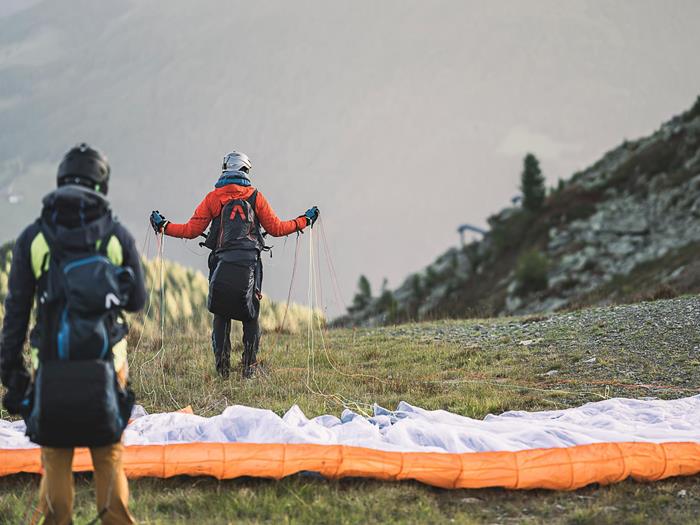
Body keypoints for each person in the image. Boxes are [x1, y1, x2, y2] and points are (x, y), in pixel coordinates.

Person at [0, 143, 146, 525]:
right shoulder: (115, 236)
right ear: (102, 185)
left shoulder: (35, 238)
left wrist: (11, 374)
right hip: (107, 363)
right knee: (108, 451)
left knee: (56, 452)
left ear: (61, 181)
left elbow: (16, 312)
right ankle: (115, 518)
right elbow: (137, 300)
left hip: (51, 363)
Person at [149, 150, 318, 378]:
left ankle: (223, 371)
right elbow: (277, 228)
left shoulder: (213, 198)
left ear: (225, 170)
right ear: (245, 171)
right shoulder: (255, 197)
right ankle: (248, 369)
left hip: (221, 262)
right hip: (250, 264)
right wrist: (305, 220)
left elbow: (191, 231)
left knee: (221, 313)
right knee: (250, 316)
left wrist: (163, 226)